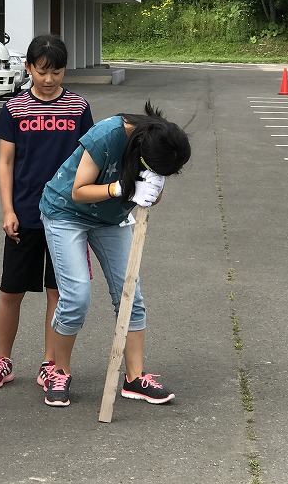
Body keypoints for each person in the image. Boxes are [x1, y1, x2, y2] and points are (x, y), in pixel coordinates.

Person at [39, 102, 191, 407]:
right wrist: (120, 190)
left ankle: (135, 378)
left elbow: (150, 195)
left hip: (111, 219)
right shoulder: (107, 134)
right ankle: (57, 371)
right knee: (76, 297)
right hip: (66, 213)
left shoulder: (162, 143)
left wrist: (152, 190)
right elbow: (79, 191)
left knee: (130, 294)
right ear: (139, 151)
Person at [0, 35, 93, 389]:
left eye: (56, 72)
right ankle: (3, 360)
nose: (48, 79)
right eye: (42, 71)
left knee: (57, 293)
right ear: (28, 68)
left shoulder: (78, 107)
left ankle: (51, 362)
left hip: (66, 215)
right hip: (25, 214)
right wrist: (7, 210)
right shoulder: (15, 109)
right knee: (10, 292)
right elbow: (5, 162)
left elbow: (89, 158)